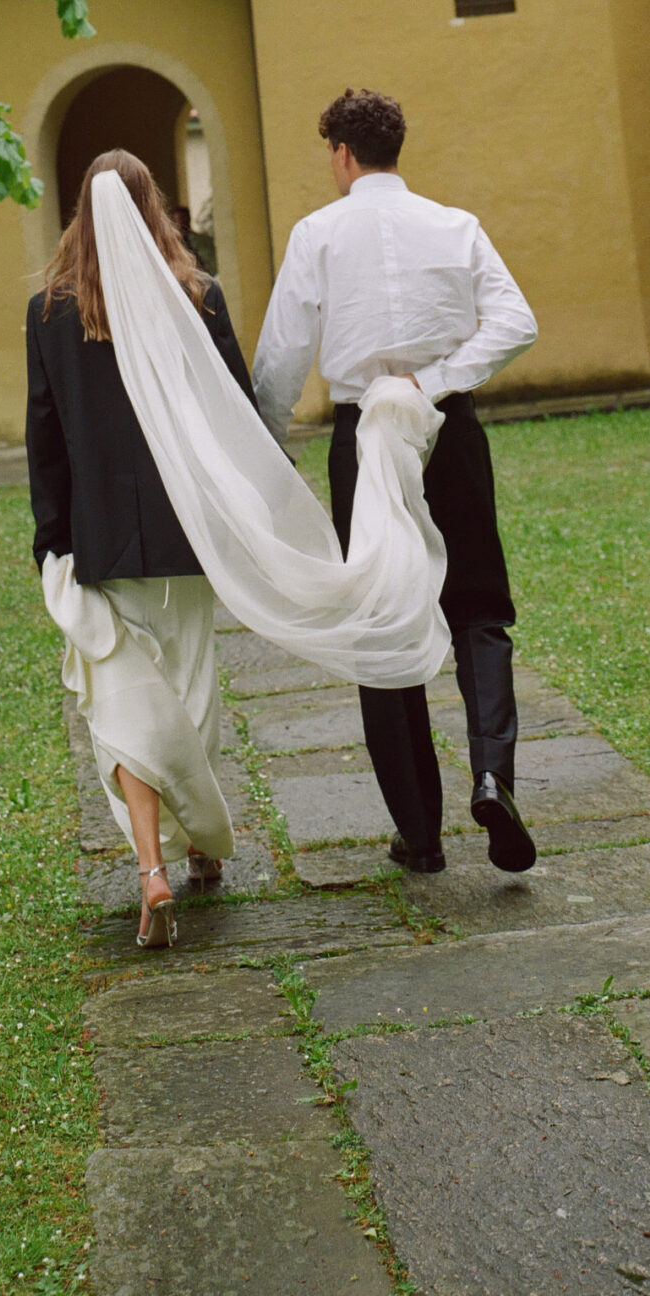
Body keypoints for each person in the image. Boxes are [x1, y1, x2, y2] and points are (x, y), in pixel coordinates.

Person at [253, 89, 540, 876]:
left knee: (383, 621)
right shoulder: (456, 225)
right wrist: (438, 378)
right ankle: (492, 775)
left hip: (362, 442)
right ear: (394, 149)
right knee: (480, 607)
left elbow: (281, 358)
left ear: (342, 155)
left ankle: (420, 834)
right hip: (448, 425)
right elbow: (518, 321)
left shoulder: (317, 233)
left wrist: (265, 449)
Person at [25, 150, 250, 947]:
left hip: (101, 536)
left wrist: (51, 537)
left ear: (81, 215)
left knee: (123, 702)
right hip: (186, 534)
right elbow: (235, 417)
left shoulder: (50, 310)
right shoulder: (199, 296)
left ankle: (152, 865)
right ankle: (202, 852)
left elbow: (44, 436)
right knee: (189, 690)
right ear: (156, 208)